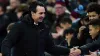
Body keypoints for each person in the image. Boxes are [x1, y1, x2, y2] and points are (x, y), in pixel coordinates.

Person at [1, 1, 70, 56]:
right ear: (33, 13)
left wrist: (69, 51)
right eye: (40, 13)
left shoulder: (44, 28)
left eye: (44, 13)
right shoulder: (19, 26)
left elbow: (51, 48)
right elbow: (6, 43)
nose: (43, 16)